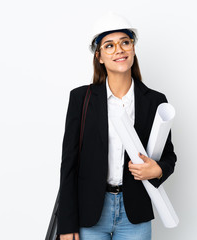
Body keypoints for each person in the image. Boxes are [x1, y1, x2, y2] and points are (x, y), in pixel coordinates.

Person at [57, 12, 177, 240]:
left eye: (125, 42)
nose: (119, 50)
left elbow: (169, 156)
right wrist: (66, 225)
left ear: (133, 48)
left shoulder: (155, 101)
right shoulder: (81, 99)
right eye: (109, 45)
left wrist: (158, 170)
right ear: (99, 56)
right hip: (90, 213)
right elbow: (69, 166)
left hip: (135, 214)